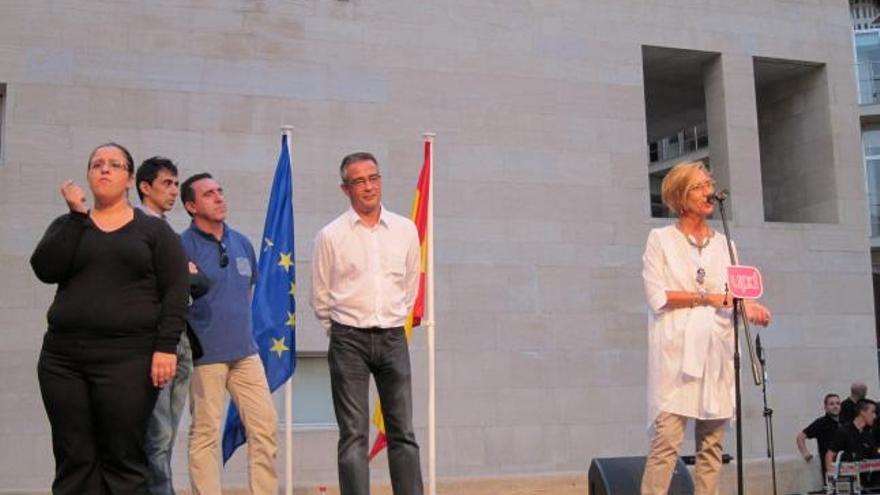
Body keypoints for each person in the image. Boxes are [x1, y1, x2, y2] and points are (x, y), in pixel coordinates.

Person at [30, 143, 189, 494]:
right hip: (63, 360)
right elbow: (45, 268)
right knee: (74, 457)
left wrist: (165, 348)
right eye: (97, 164)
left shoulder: (153, 231)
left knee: (122, 458)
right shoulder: (71, 224)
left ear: (130, 179)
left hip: (128, 359)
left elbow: (176, 290)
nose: (104, 170)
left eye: (114, 165)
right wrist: (75, 216)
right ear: (88, 175)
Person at [639, 161, 772, 495]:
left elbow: (734, 296)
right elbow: (659, 296)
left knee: (712, 447)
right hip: (678, 355)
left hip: (718, 352)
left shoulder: (726, 245)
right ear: (682, 196)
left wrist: (749, 306)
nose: (709, 191)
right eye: (700, 186)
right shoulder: (661, 240)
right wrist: (711, 298)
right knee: (666, 443)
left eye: (709, 183)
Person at [311, 152, 424, 495]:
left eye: (373, 178)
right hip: (349, 342)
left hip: (392, 338)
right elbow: (321, 297)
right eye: (358, 181)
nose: (368, 187)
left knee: (402, 431)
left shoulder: (405, 230)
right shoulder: (330, 236)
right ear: (345, 189)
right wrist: (342, 333)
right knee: (353, 435)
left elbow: (409, 287)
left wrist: (391, 320)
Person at [179, 173, 278, 495]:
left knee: (264, 428)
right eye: (209, 194)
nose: (219, 197)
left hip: (246, 354)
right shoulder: (181, 247)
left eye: (220, 191)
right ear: (191, 206)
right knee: (205, 433)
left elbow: (246, 295)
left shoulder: (242, 243)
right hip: (206, 356)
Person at [136, 156, 209, 495]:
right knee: (158, 436)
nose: (173, 191)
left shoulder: (168, 233)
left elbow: (198, 282)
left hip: (180, 340)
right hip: (156, 343)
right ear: (144, 187)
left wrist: (186, 277)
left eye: (176, 184)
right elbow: (171, 280)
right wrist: (185, 276)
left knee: (166, 437)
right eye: (167, 184)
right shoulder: (137, 228)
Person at [825, 399, 879, 486]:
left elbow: (875, 452)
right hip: (849, 482)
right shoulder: (844, 431)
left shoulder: (868, 432)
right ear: (862, 412)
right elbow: (830, 455)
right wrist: (832, 480)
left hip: (866, 481)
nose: (875, 416)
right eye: (872, 412)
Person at [797, 393, 842, 477]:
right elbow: (800, 437)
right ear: (825, 407)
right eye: (831, 404)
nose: (835, 406)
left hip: (844, 465)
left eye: (837, 403)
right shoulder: (821, 423)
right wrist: (805, 453)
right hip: (829, 467)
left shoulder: (844, 422)